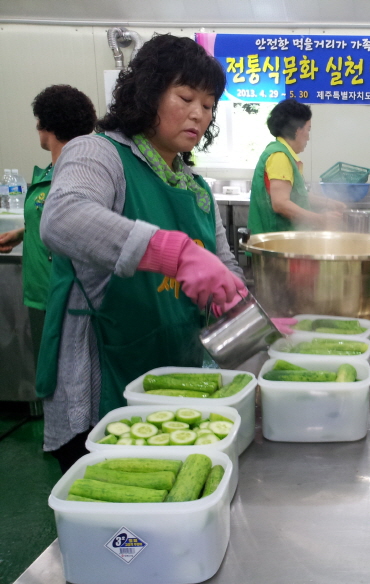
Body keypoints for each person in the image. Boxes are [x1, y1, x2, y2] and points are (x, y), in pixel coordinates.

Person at [37, 34, 247, 472]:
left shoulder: (195, 188)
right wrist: (173, 252)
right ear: (148, 93)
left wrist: (249, 313)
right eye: (186, 96)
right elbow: (63, 218)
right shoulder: (98, 153)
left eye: (208, 105)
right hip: (105, 375)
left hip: (175, 378)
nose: (199, 114)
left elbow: (225, 272)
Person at [0, 85, 96, 366]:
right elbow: (54, 222)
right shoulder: (53, 172)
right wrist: (23, 232)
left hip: (63, 298)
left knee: (64, 376)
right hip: (45, 293)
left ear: (45, 125)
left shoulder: (75, 175)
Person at [248, 98, 344, 234]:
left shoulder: (283, 153)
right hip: (276, 244)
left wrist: (329, 203)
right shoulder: (279, 156)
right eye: (308, 129)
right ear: (298, 130)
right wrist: (320, 219)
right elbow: (281, 204)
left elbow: (298, 195)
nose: (308, 137)